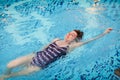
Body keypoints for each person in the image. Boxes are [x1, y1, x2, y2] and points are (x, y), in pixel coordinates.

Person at [0, 28, 112, 80]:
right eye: (69, 33)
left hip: (38, 67)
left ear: (75, 39)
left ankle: (4, 77)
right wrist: (31, 56)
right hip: (33, 56)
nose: (69, 35)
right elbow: (43, 48)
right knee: (10, 65)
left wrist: (104, 33)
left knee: (8, 76)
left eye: (72, 35)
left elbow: (91, 40)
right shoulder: (56, 39)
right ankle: (6, 74)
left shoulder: (71, 46)